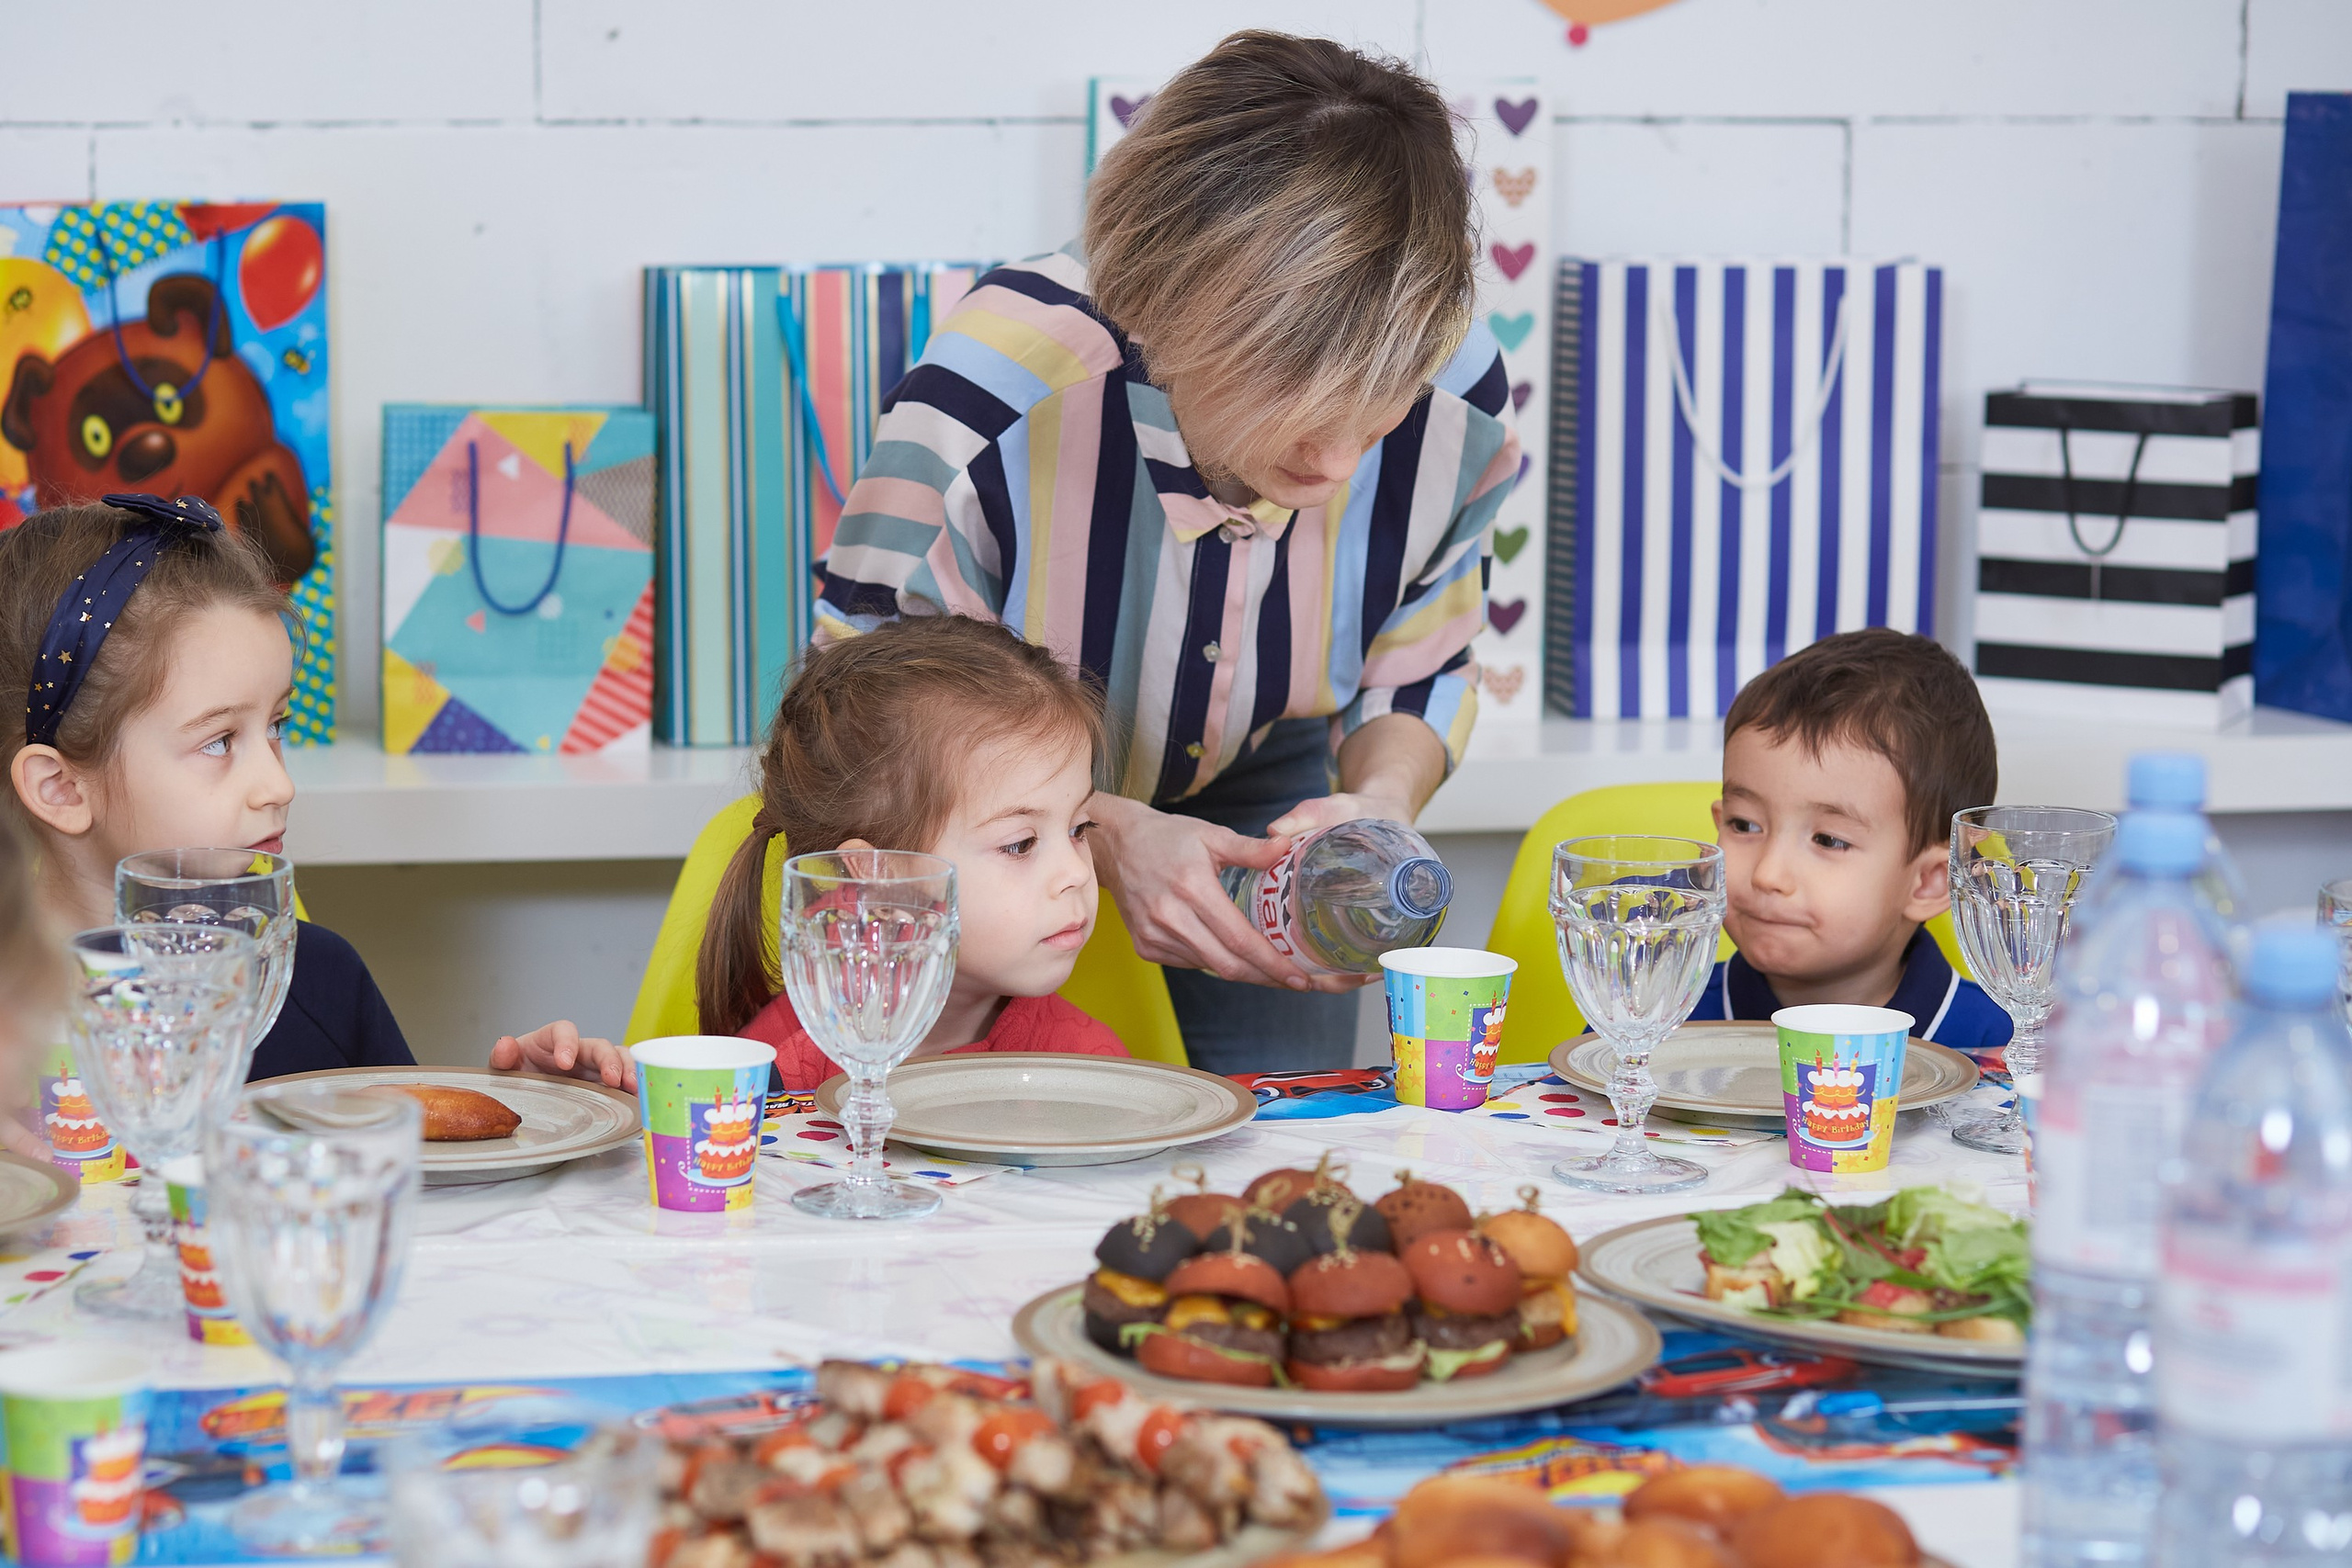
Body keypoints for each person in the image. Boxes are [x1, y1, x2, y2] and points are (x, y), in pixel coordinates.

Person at [811, 31, 1519, 1076]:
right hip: (966, 811)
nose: (1334, 462)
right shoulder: (1000, 386)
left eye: (1375, 412)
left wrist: (1376, 808)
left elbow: (1417, 666)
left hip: (1269, 759)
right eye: (1293, 403)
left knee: (1278, 1133)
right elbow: (852, 713)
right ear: (1161, 312)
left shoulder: (1456, 393)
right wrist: (1095, 827)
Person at [0, 496, 628, 1084]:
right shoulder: (11, 1039)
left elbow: (413, 1170)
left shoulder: (324, 983)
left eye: (276, 726)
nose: (279, 783)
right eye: (219, 741)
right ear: (60, 788)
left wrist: (526, 1113)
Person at [693, 616, 1127, 1092]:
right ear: (876, 876)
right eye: (1019, 844)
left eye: (1079, 828)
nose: (1075, 873)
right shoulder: (780, 1073)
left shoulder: (1089, 1071)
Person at [1696, 628, 2011, 1058]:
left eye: (1828, 840)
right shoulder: (1654, 1019)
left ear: (1931, 882)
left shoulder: (1999, 1046)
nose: (1767, 875)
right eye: (1745, 825)